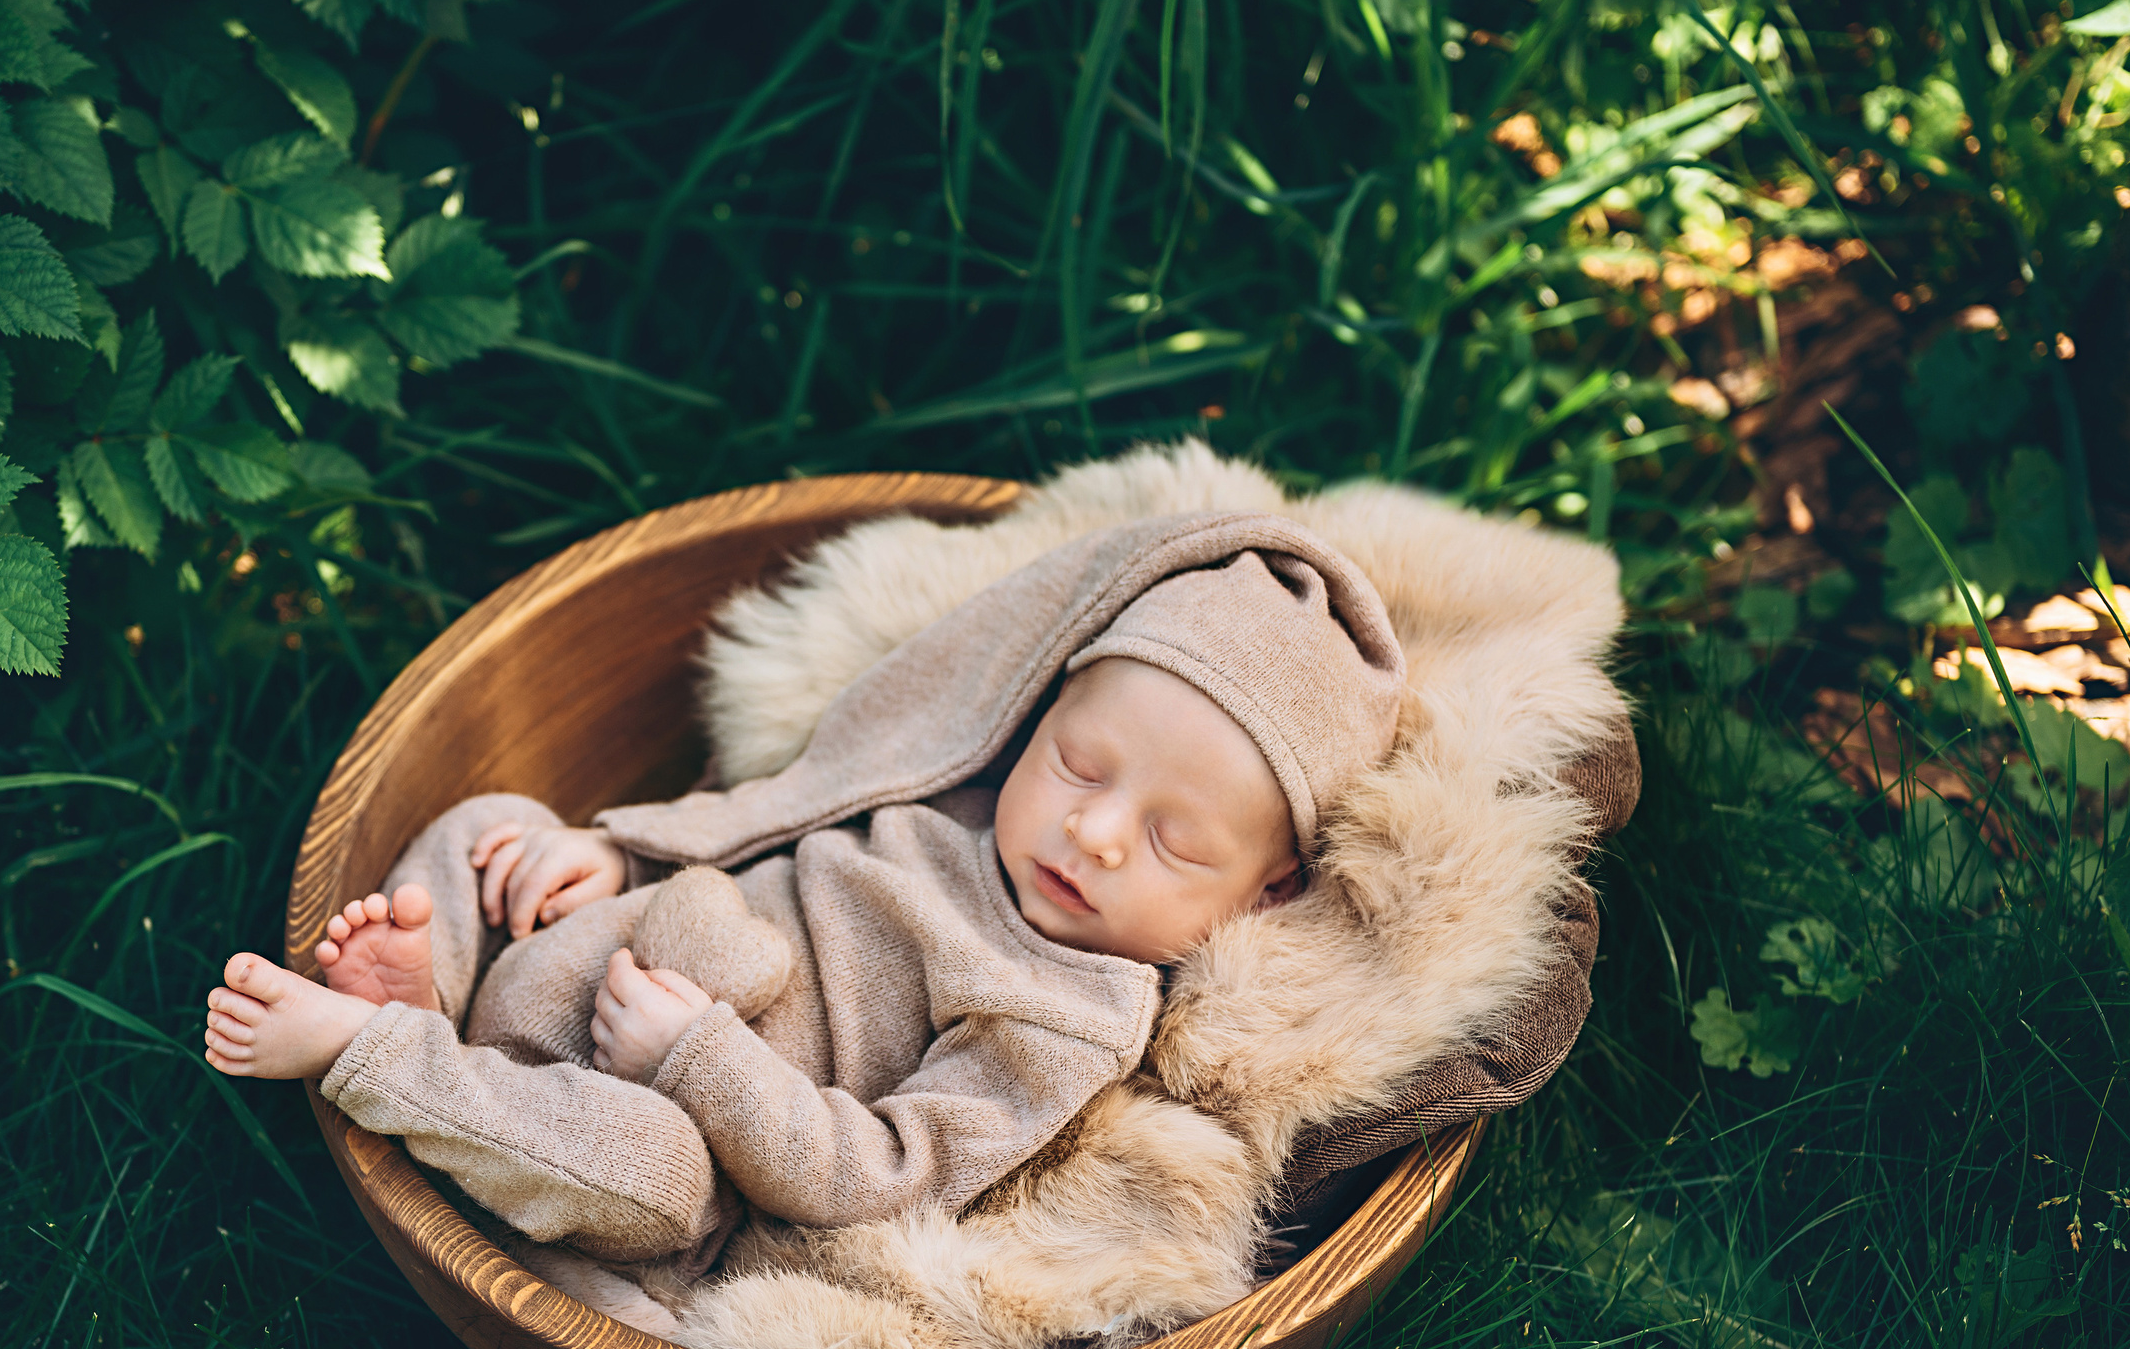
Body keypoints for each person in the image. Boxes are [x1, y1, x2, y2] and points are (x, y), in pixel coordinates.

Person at [200, 516, 1405, 1284]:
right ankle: (435, 988)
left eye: (1171, 840)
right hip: (609, 954)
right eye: (1077, 764)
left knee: (649, 1171)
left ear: (1266, 890)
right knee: (491, 833)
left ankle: (378, 1048)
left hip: (666, 1122)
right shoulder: (961, 797)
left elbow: (881, 1174)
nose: (1089, 830)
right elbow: (772, 807)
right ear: (1037, 717)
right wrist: (621, 862)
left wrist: (696, 1061)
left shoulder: (1065, 1015)